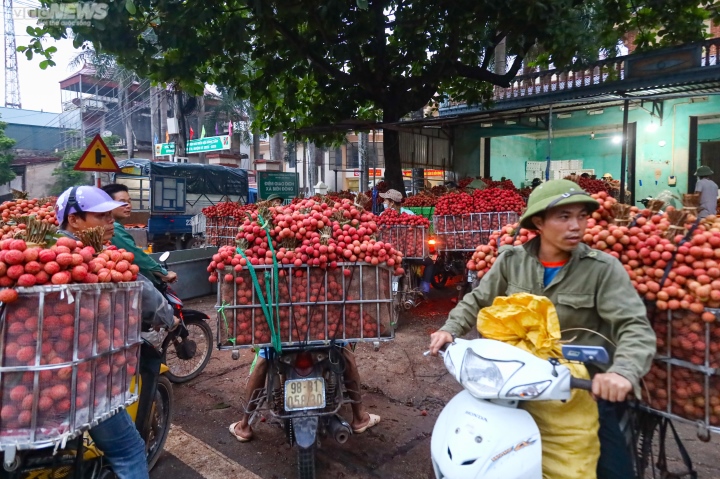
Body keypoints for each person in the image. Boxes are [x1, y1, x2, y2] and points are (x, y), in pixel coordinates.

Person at [428, 179, 656, 479]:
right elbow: (478, 299)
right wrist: (450, 329)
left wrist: (622, 373)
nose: (576, 225)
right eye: (564, 217)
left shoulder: (602, 269)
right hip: (515, 379)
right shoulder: (512, 260)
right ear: (539, 221)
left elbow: (634, 327)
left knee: (614, 469)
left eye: (582, 216)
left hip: (580, 387)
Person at [55, 186, 150, 479]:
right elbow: (146, 295)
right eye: (102, 216)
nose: (111, 222)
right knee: (129, 450)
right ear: (74, 220)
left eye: (112, 215)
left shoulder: (45, 254)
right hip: (84, 381)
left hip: (35, 382)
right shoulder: (87, 259)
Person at [101, 184, 177, 288]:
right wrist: (163, 273)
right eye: (122, 202)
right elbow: (135, 254)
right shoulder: (113, 228)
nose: (128, 205)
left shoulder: (114, 226)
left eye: (129, 201)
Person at [379, 189, 435, 294]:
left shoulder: (383, 215)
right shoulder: (409, 214)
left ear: (391, 202)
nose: (383, 203)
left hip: (391, 253)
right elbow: (417, 235)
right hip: (409, 253)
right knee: (430, 263)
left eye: (385, 201)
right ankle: (425, 287)